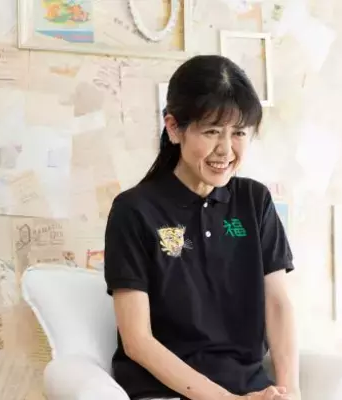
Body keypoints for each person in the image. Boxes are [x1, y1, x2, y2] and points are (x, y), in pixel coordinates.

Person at [104, 55, 299, 400]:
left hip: (249, 388)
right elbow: (137, 341)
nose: (225, 150)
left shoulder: (255, 201)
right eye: (211, 131)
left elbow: (278, 304)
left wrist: (290, 392)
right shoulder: (134, 210)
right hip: (163, 392)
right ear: (174, 128)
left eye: (238, 133)